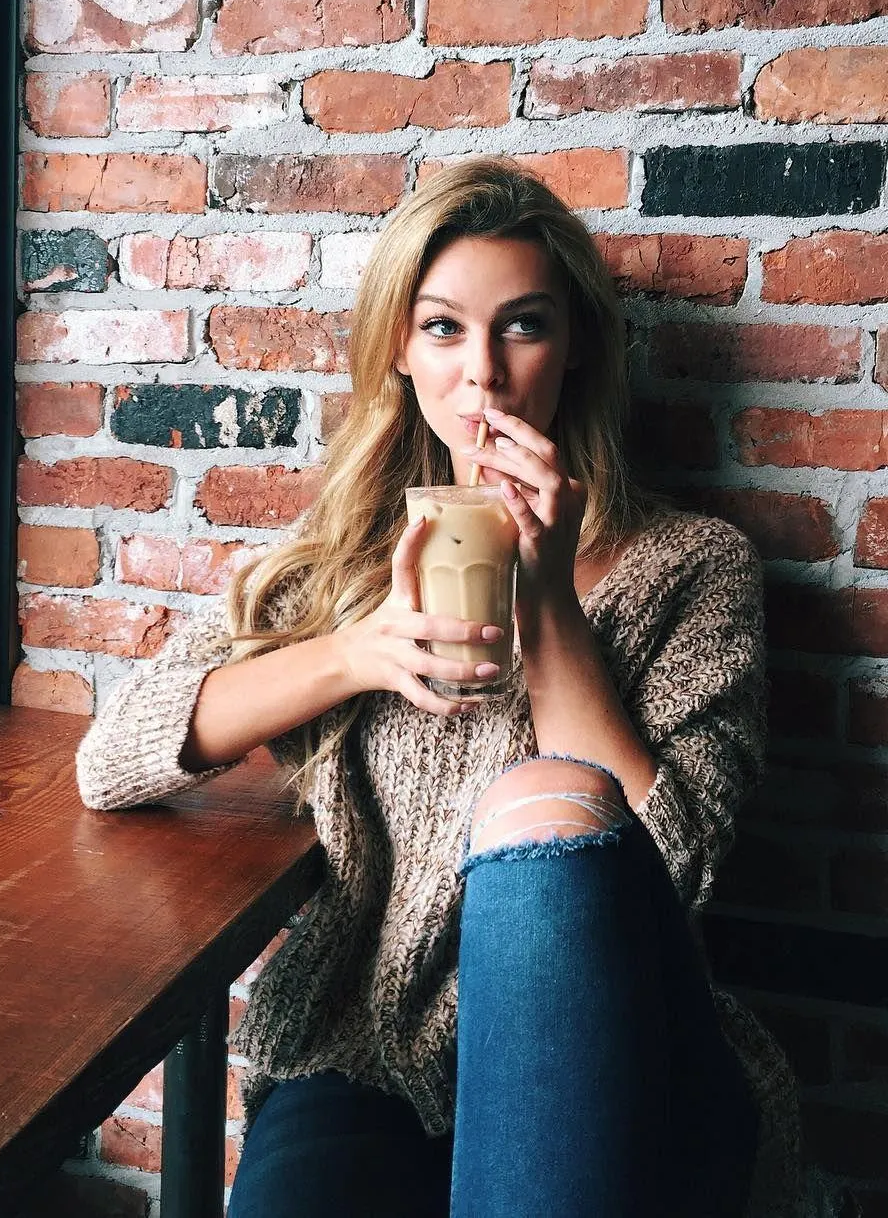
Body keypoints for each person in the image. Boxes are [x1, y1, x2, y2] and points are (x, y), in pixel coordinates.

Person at [76, 159, 815, 1217]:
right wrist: (356, 651)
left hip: (619, 1045)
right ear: (398, 353)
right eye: (442, 328)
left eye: (522, 326)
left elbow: (675, 867)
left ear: (575, 349)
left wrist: (549, 598)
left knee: (537, 804)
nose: (485, 375)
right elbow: (110, 759)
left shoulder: (692, 565)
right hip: (366, 1047)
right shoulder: (342, 561)